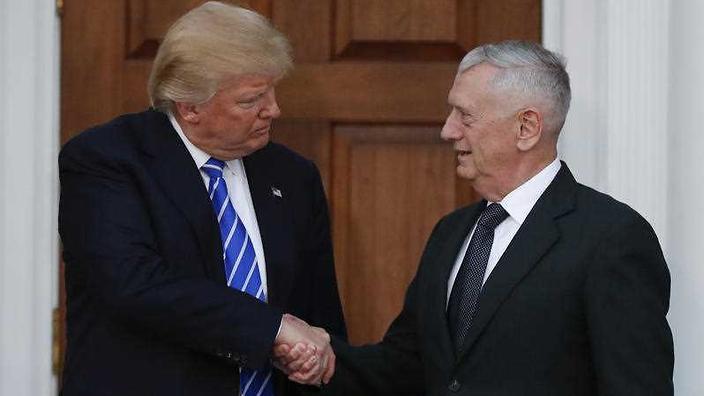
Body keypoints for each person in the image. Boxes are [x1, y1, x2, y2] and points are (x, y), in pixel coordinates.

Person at [277, 40, 674, 395]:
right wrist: (324, 358)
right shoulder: (452, 233)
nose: (448, 131)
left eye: (465, 116)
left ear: (526, 127)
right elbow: (407, 364)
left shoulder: (611, 238)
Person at [58, 2, 344, 395]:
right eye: (251, 100)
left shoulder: (293, 175)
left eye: (272, 92)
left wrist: (319, 360)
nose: (273, 110)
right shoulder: (107, 161)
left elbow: (318, 309)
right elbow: (135, 285)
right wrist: (271, 329)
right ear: (190, 107)